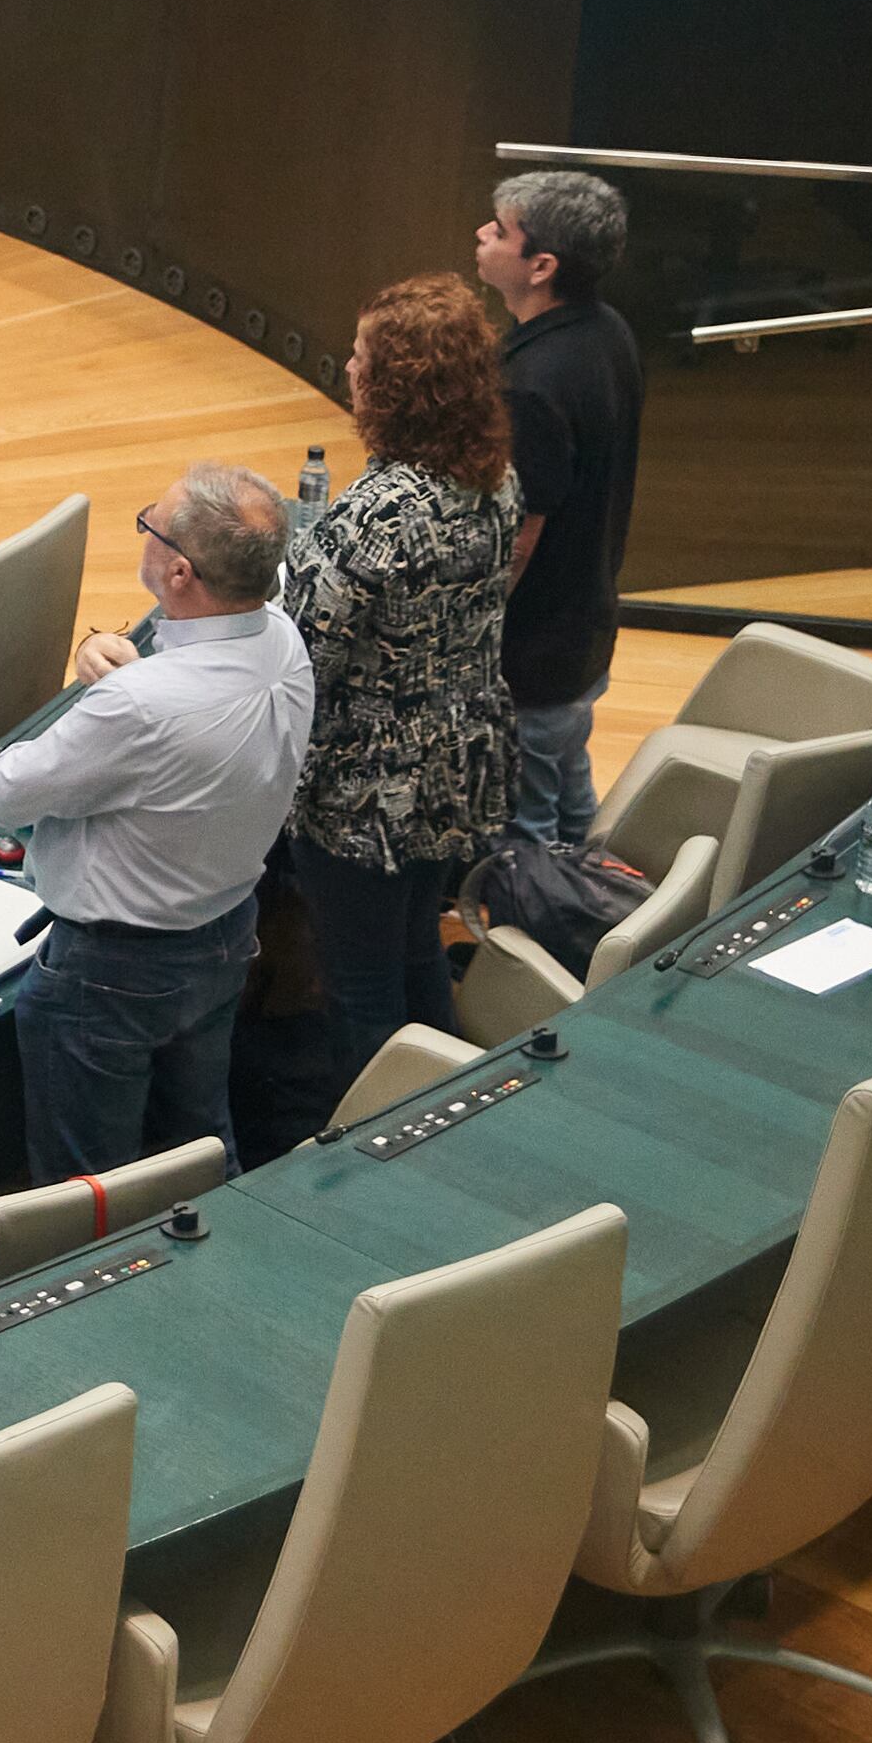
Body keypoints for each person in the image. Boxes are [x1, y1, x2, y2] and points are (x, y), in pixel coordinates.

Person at [245, 276, 519, 1163]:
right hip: (452, 767)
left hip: (366, 793)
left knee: (360, 989)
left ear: (397, 382)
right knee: (413, 958)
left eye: (364, 355)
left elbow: (301, 653)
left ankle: (386, 1156)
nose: (351, 364)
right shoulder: (495, 482)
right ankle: (450, 1118)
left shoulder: (380, 512)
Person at [0, 468, 313, 1183]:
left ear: (181, 571)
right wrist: (118, 668)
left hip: (110, 976)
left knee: (88, 1188)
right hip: (222, 938)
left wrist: (116, 692)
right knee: (199, 1151)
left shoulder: (140, 708)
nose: (145, 533)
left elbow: (4, 793)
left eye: (150, 527)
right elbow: (182, 688)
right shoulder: (283, 640)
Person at [480, 172, 643, 851]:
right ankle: (606, 923)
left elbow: (523, 533)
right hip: (584, 629)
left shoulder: (536, 385)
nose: (482, 235)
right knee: (574, 802)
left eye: (499, 229)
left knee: (529, 838)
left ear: (541, 265)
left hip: (536, 655)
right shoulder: (608, 331)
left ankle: (550, 949)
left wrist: (475, 627)